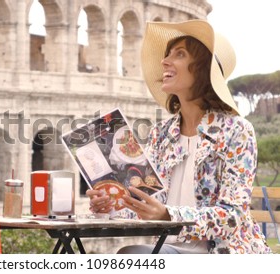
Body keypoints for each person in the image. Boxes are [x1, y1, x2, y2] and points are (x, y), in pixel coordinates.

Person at [86, 20, 272, 254]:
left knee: (133, 256)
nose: (164, 61)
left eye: (180, 54)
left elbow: (232, 215)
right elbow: (148, 203)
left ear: (203, 69)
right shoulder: (160, 134)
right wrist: (110, 205)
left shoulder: (237, 131)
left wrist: (168, 214)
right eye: (167, 55)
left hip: (222, 253)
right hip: (167, 250)